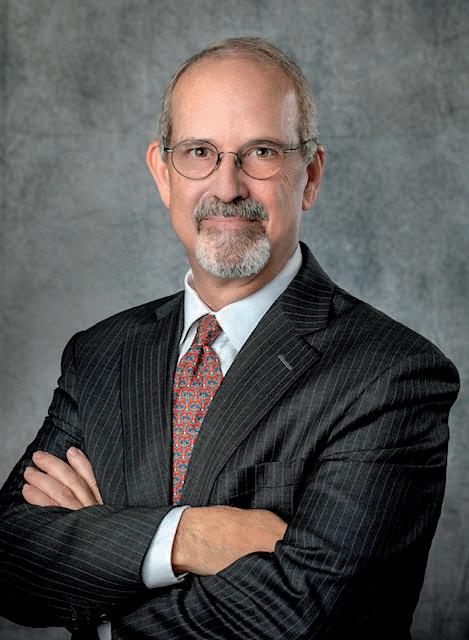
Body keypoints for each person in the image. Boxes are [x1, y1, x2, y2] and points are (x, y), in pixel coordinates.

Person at [0, 37, 460, 640]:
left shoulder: (392, 374)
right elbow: (10, 558)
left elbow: (306, 617)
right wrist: (188, 537)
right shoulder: (101, 355)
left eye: (260, 152)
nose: (227, 186)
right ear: (163, 173)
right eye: (199, 152)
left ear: (310, 175)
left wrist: (104, 572)